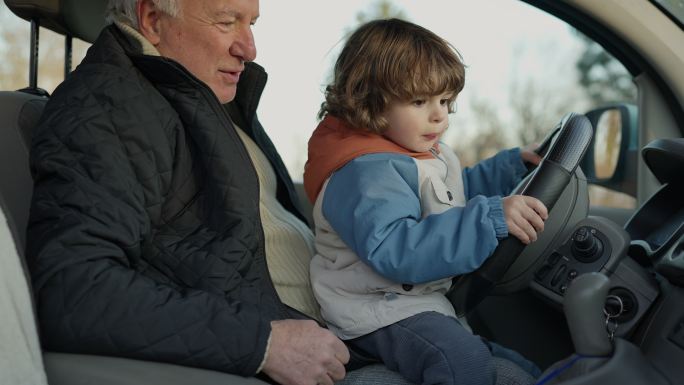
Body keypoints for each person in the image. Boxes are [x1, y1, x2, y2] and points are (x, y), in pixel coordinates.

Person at [26, 1, 361, 384]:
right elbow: (75, 292)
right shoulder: (107, 105)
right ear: (153, 20)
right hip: (304, 358)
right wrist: (262, 343)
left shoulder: (198, 90)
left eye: (251, 24)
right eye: (225, 22)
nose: (249, 49)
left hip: (343, 329)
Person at [303, 19, 547, 385]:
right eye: (419, 101)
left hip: (416, 306)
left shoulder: (417, 153)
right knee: (462, 362)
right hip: (376, 312)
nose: (439, 115)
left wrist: (508, 168)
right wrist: (490, 219)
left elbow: (450, 196)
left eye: (446, 101)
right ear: (369, 100)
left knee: (515, 364)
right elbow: (397, 250)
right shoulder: (363, 172)